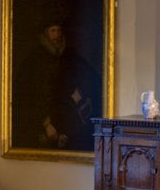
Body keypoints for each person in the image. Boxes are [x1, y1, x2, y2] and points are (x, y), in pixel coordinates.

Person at [14, 20, 100, 151]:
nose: (57, 35)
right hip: (41, 122)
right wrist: (46, 124)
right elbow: (30, 93)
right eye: (53, 30)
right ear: (46, 33)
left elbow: (91, 77)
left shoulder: (69, 54)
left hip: (67, 120)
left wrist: (80, 95)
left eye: (59, 30)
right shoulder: (35, 57)